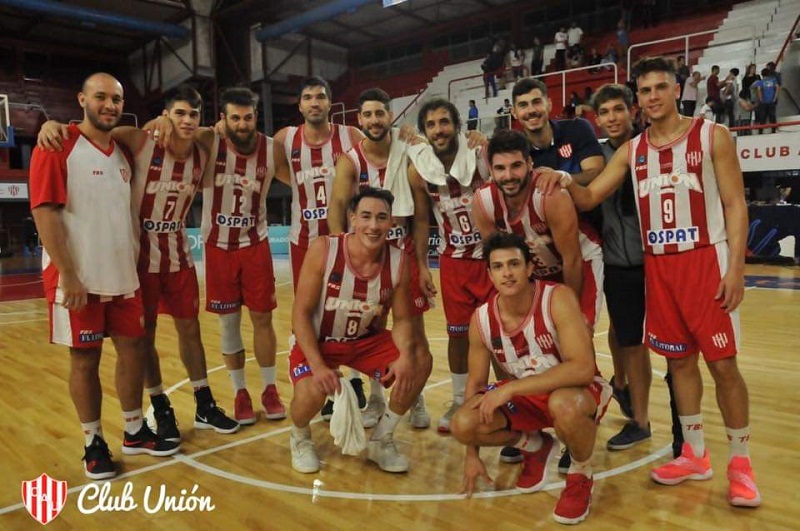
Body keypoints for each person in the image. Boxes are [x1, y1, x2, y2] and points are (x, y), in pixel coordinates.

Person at [536, 56, 761, 508]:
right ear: (638, 98)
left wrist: (736, 268)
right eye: (645, 90)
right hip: (659, 268)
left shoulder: (711, 136)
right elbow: (590, 195)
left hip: (706, 260)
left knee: (723, 366)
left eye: (661, 87)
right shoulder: (632, 150)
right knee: (680, 363)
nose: (653, 96)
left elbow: (736, 205)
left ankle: (741, 463)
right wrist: (562, 178)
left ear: (677, 89)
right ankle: (694, 453)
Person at [36, 85, 243, 440]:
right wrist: (52, 126)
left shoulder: (204, 148)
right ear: (166, 115)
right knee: (141, 338)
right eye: (179, 113)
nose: (187, 120)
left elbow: (217, 130)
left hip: (178, 253)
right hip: (139, 257)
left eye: (193, 114)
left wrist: (207, 123)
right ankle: (159, 404)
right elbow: (96, 135)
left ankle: (204, 402)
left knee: (190, 330)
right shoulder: (139, 140)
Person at [29, 73, 179, 480]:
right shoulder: (57, 146)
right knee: (85, 358)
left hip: (122, 274)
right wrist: (69, 274)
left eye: (116, 99)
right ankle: (93, 443)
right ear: (81, 99)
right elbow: (44, 212)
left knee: (133, 349)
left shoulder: (122, 153)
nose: (109, 105)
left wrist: (163, 119)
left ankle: (134, 430)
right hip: (78, 277)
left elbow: (147, 133)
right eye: (101, 97)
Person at [451, 232, 611, 525]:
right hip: (527, 397)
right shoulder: (481, 319)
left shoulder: (557, 298)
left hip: (578, 391)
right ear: (490, 274)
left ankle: (580, 474)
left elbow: (582, 368)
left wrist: (511, 388)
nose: (507, 273)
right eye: (498, 267)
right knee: (463, 423)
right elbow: (475, 386)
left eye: (514, 264)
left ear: (529, 268)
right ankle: (536, 446)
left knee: (564, 405)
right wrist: (471, 454)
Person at [288, 187, 432, 474]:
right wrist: (318, 366)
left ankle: (381, 439)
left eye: (381, 218)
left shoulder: (399, 260)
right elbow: (300, 313)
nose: (373, 225)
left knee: (419, 361)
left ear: (391, 222)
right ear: (352, 219)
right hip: (320, 341)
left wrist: (405, 356)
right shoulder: (324, 249)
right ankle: (300, 437)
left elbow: (403, 320)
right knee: (312, 393)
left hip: (366, 342)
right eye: (366, 216)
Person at [328, 87, 431, 429]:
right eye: (368, 114)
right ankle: (376, 397)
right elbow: (337, 208)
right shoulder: (350, 160)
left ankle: (415, 395)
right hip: (366, 259)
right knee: (371, 332)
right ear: (360, 119)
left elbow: (420, 216)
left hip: (403, 253)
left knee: (413, 331)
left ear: (390, 115)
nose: (374, 120)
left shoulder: (409, 149)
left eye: (380, 113)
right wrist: (341, 256)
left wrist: (423, 264)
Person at [273, 76, 365, 417]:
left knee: (350, 309)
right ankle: (323, 384)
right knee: (312, 314)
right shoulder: (285, 139)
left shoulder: (350, 135)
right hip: (305, 241)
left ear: (330, 103)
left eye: (321, 97)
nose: (314, 102)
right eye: (308, 97)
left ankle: (354, 381)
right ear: (300, 105)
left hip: (346, 239)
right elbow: (278, 170)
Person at [407, 99, 493, 435]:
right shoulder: (419, 171)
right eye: (431, 125)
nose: (438, 129)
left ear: (457, 126)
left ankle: (506, 398)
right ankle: (459, 399)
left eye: (444, 122)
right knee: (457, 336)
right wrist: (422, 265)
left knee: (501, 334)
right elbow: (420, 220)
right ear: (425, 132)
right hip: (453, 262)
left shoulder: (480, 155)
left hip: (490, 260)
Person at [202, 87, 286, 425]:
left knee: (263, 319)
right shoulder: (209, 143)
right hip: (218, 247)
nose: (242, 124)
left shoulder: (272, 149)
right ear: (223, 119)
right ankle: (240, 392)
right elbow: (169, 134)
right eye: (235, 118)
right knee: (229, 323)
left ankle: (269, 389)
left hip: (255, 244)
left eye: (248, 117)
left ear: (256, 117)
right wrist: (169, 123)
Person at [473, 129, 604, 329]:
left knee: (577, 330)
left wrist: (570, 312)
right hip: (535, 270)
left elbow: (572, 259)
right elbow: (497, 259)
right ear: (490, 170)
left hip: (579, 262)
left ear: (529, 163)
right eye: (500, 168)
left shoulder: (550, 195)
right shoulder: (483, 202)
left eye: (516, 166)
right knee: (536, 333)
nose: (508, 176)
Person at [591, 84, 653, 449]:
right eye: (604, 112)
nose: (612, 117)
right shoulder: (595, 157)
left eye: (618, 109)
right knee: (624, 333)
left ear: (632, 111)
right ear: (597, 119)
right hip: (616, 261)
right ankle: (626, 392)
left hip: (657, 260)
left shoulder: (652, 147)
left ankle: (640, 410)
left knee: (641, 340)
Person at [752, 68, 780, 134]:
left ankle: (760, 132)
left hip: (764, 102)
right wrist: (775, 98)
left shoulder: (760, 82)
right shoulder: (773, 80)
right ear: (769, 74)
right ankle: (773, 131)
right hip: (771, 101)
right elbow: (778, 88)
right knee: (772, 117)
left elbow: (758, 90)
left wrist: (761, 99)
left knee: (762, 117)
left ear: (762, 74)